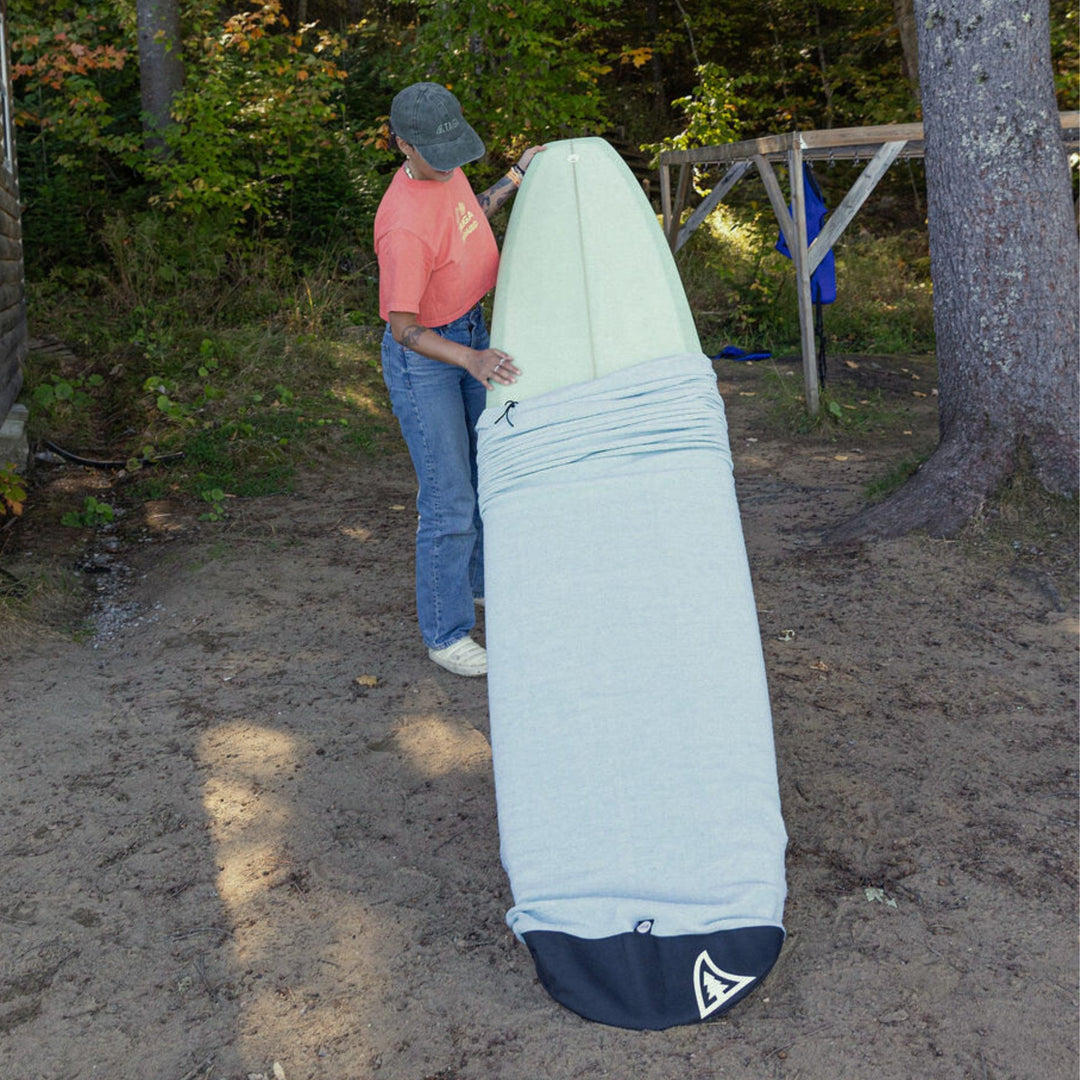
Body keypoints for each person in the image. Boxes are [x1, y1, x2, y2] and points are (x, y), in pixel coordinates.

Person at [374, 81, 544, 677]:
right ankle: (445, 634)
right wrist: (469, 360)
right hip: (428, 357)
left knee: (486, 469)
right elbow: (403, 329)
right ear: (401, 144)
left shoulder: (445, 171)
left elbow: (474, 216)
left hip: (470, 330)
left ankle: (475, 585)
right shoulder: (402, 227)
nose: (449, 165)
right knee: (448, 498)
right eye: (435, 154)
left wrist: (517, 177)